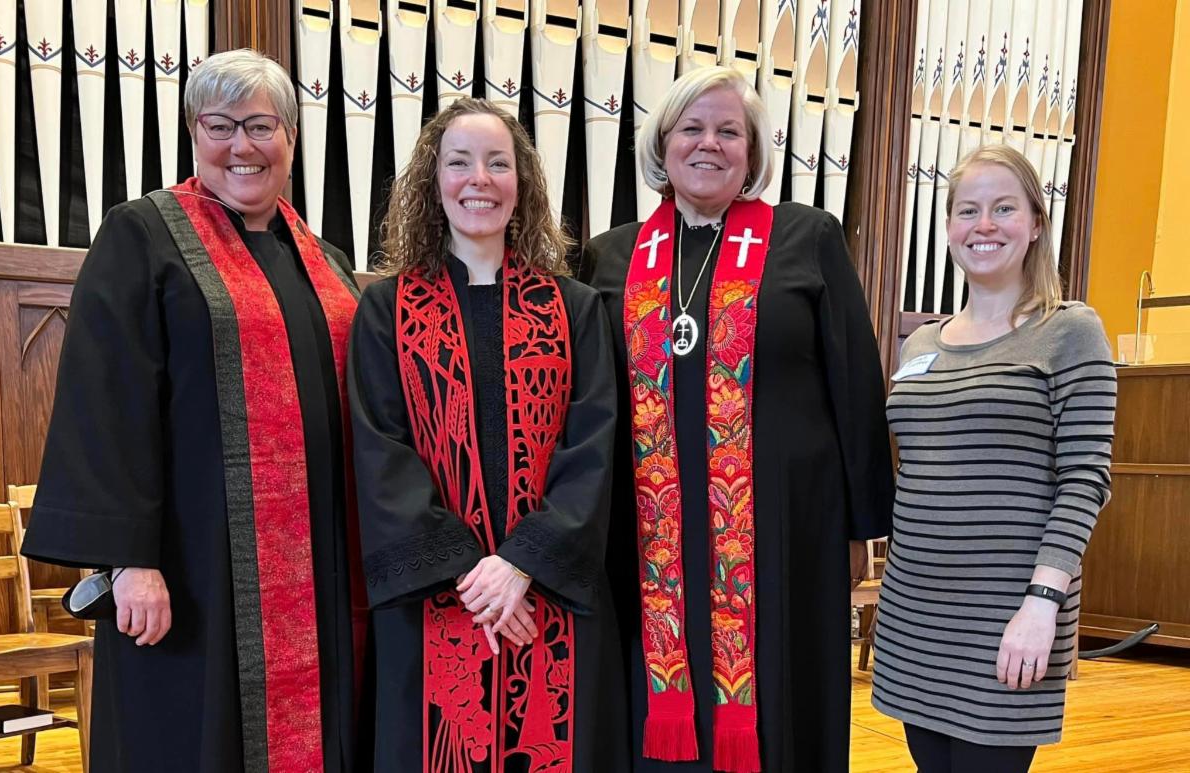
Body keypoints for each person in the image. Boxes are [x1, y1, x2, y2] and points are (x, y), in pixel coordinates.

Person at [20, 50, 367, 772]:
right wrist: (129, 561)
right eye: (220, 126)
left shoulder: (326, 261)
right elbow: (106, 402)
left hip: (322, 569)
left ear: (291, 137)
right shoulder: (145, 236)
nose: (242, 145)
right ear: (193, 133)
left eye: (260, 126)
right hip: (195, 566)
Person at [579, 66, 894, 772]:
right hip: (648, 535)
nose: (709, 143)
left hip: (785, 531)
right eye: (691, 128)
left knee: (782, 695)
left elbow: (855, 381)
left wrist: (861, 527)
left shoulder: (806, 237)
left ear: (752, 151)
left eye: (729, 131)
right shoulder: (612, 254)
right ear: (662, 143)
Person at [349, 97, 627, 772]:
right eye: (460, 163)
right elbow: (381, 453)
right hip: (436, 599)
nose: (480, 180)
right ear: (433, 182)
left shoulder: (576, 310)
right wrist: (475, 578)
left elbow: (593, 448)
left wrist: (523, 565)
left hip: (551, 594)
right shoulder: (385, 310)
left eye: (498, 163)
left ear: (522, 183)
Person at [871, 144, 1117, 773]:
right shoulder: (920, 343)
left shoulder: (1069, 330)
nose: (984, 225)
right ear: (949, 226)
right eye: (967, 210)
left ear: (1035, 224)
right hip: (917, 611)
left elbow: (1085, 479)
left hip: (1009, 610)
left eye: (1004, 208)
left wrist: (1042, 604)